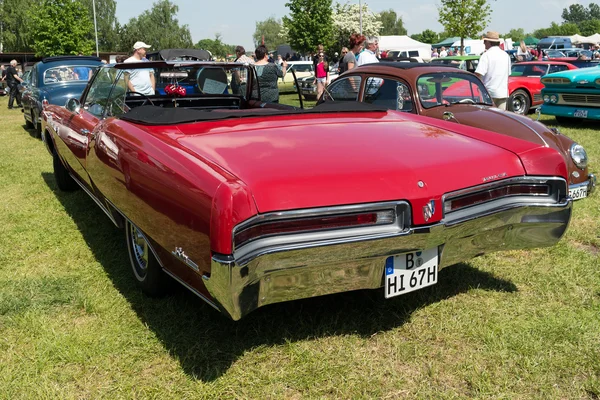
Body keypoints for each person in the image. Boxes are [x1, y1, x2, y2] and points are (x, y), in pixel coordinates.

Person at [475, 31, 511, 110]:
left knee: (488, 119)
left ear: (488, 42)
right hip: (503, 92)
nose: (484, 43)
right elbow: (508, 73)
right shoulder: (506, 55)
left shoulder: (486, 55)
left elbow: (478, 73)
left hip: (489, 93)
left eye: (485, 41)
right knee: (501, 118)